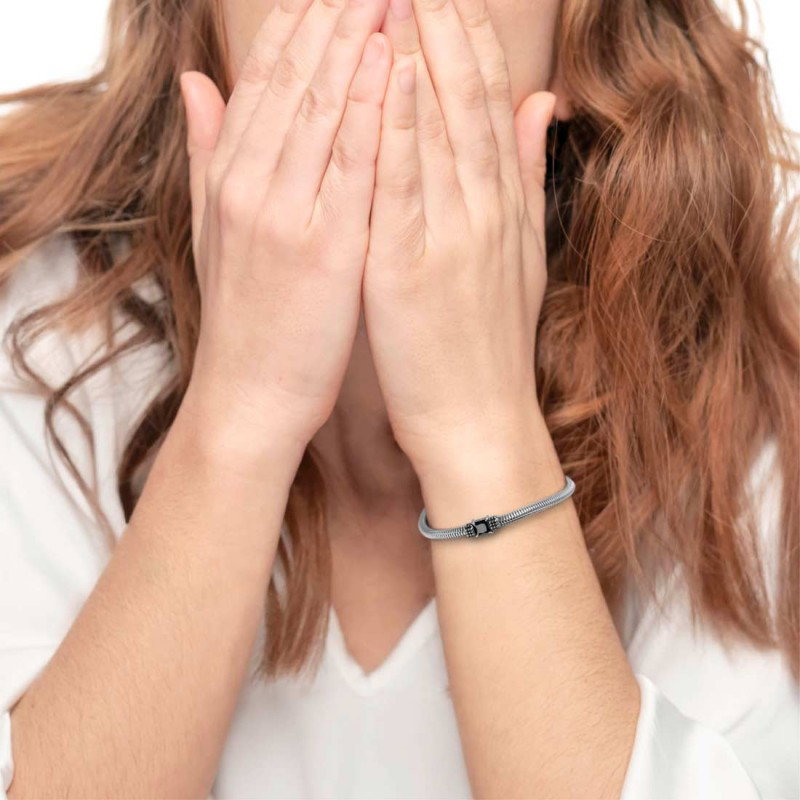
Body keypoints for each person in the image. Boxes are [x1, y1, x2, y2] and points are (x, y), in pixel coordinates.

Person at [0, 0, 797, 796]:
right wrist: (242, 411)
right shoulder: (34, 322)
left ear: (581, 46)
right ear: (194, 25)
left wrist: (479, 432)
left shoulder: (734, 387)